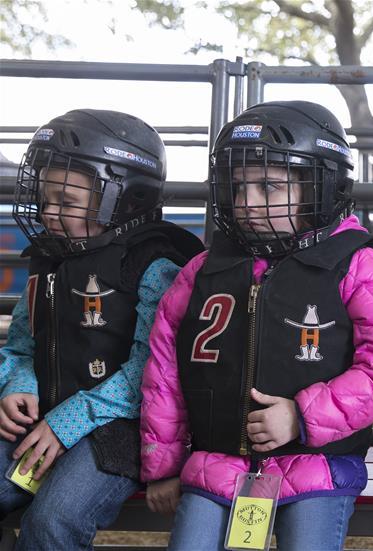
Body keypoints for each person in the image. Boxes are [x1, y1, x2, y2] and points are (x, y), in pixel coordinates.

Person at [139, 100, 373, 550]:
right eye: (239, 187)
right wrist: (164, 466)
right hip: (216, 465)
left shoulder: (355, 264)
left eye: (268, 187)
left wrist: (302, 416)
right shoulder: (204, 270)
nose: (248, 203)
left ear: (317, 186)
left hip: (317, 467)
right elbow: (163, 373)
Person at [0, 109, 203, 549]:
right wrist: (18, 385)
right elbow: (20, 344)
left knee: (52, 522)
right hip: (41, 419)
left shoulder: (152, 266)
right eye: (45, 196)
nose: (49, 211)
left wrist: (65, 424)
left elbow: (150, 371)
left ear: (126, 201)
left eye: (67, 201)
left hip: (119, 433)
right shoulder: (48, 259)